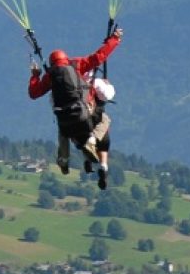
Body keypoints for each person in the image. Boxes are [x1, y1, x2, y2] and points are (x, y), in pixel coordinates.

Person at [28, 26, 122, 189]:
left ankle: (63, 159)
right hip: (82, 113)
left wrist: (35, 76)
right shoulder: (77, 65)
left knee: (63, 129)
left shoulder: (49, 76)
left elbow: (34, 93)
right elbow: (100, 56)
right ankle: (92, 140)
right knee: (104, 119)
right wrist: (115, 39)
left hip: (63, 119)